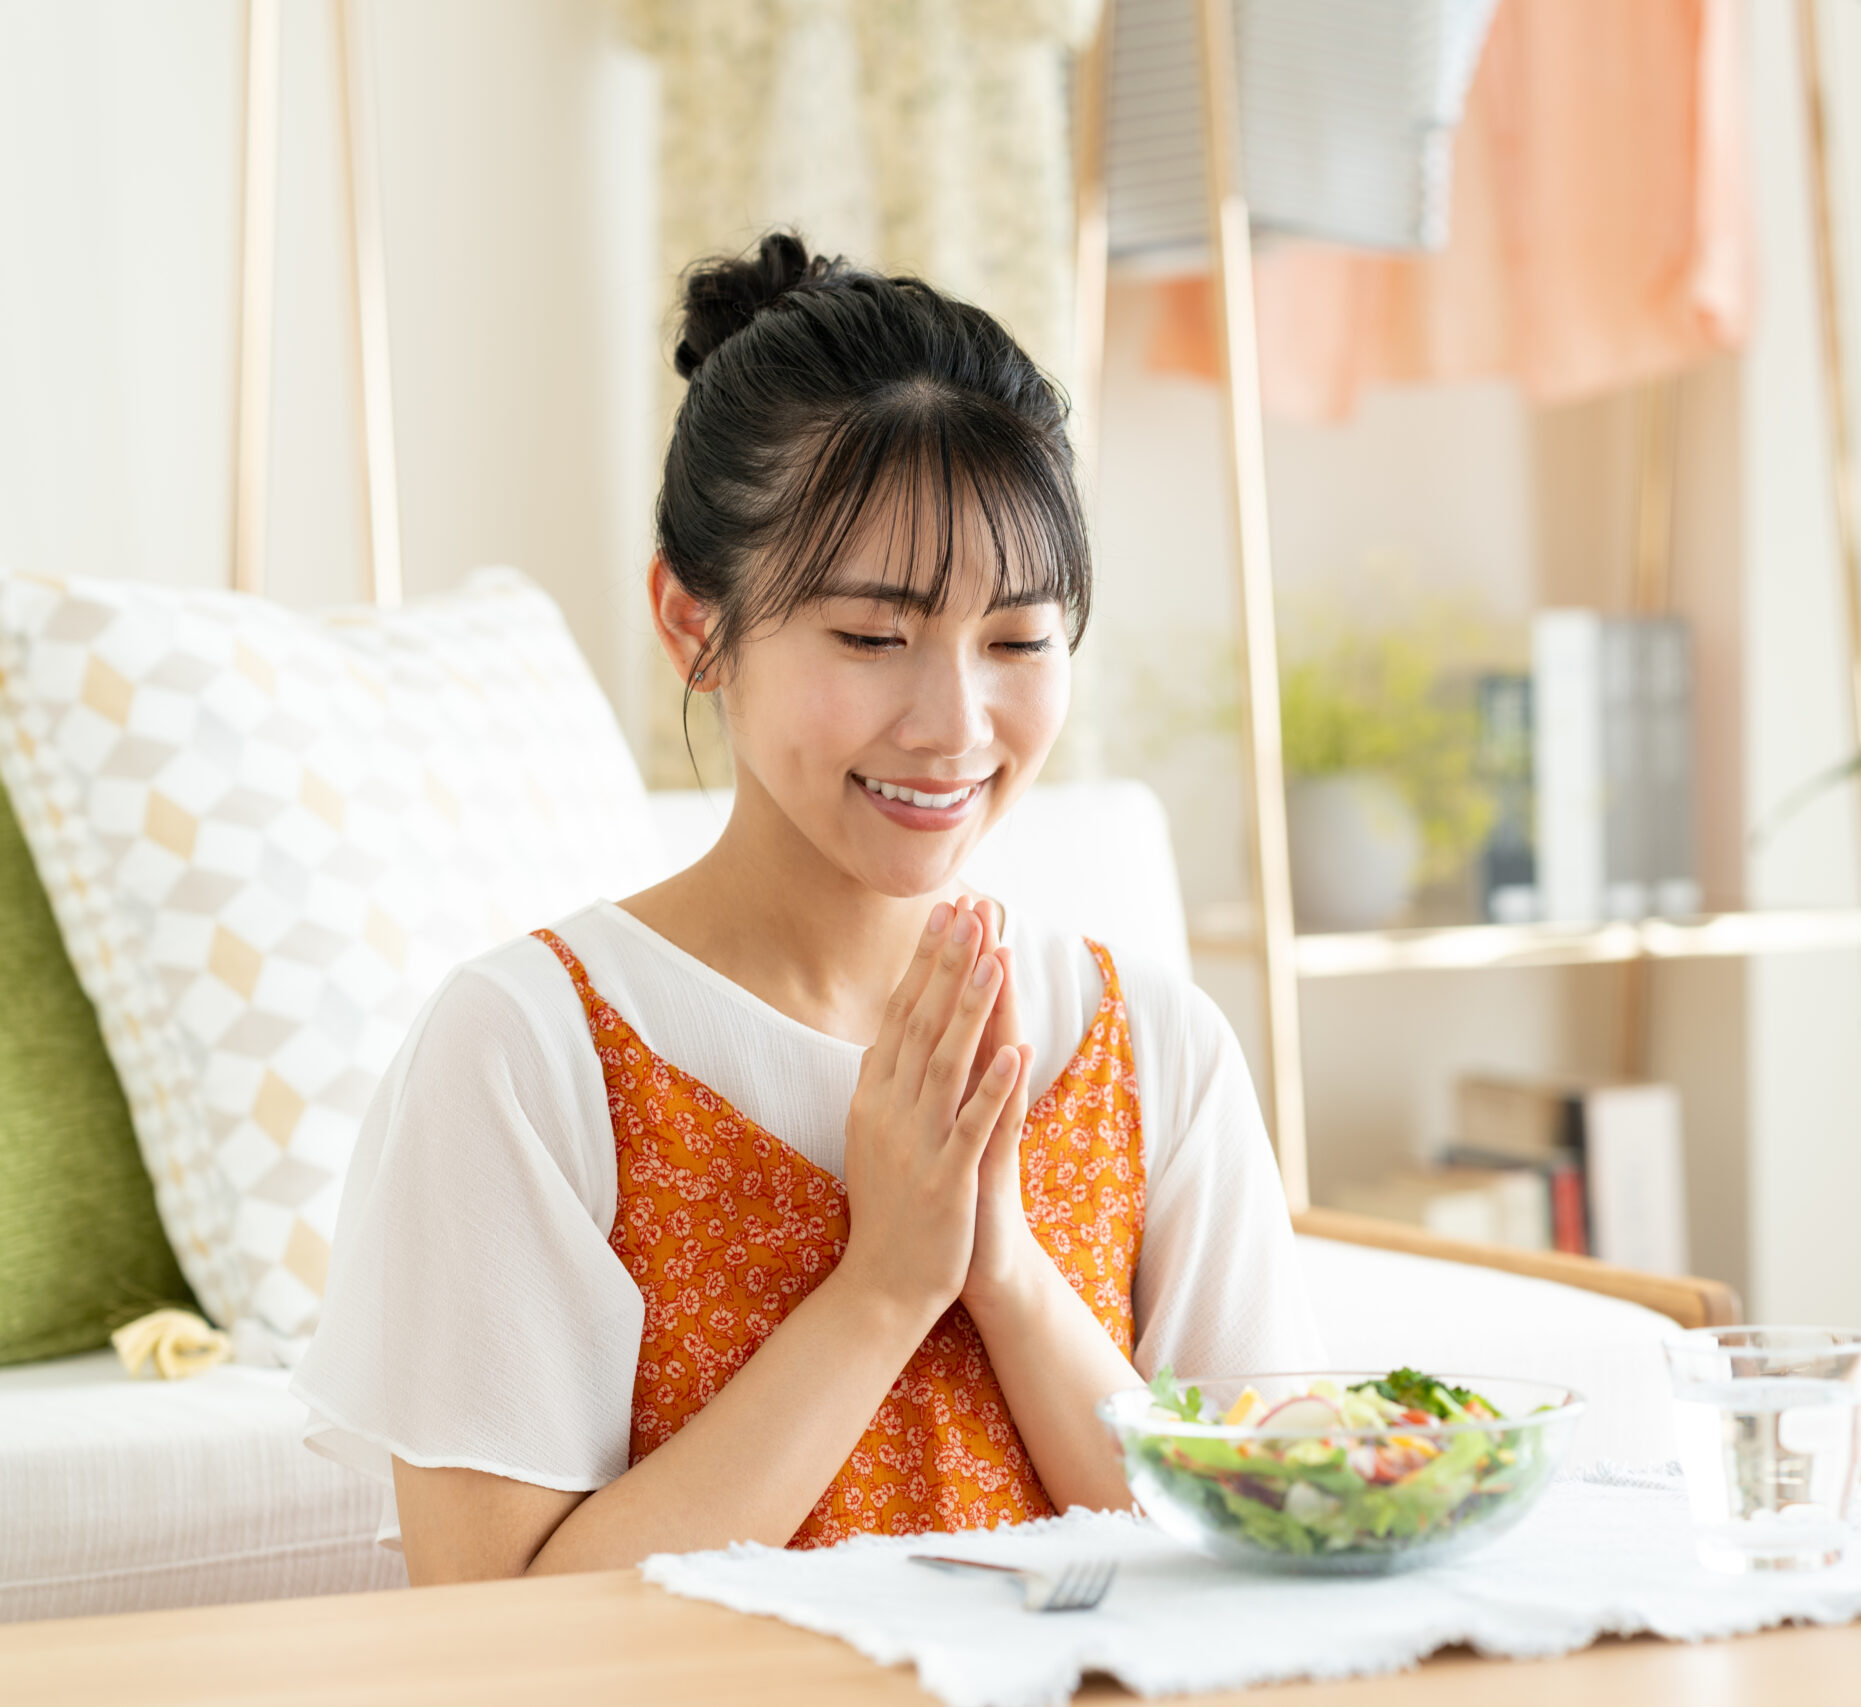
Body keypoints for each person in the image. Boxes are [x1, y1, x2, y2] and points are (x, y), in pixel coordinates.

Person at [292, 232, 1323, 1583]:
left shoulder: (1159, 1048)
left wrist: (1001, 1268)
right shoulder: (528, 1052)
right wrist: (886, 1285)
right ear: (692, 622)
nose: (955, 725)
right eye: (871, 638)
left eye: (1019, 641)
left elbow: (1270, 1557)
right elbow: (499, 1639)